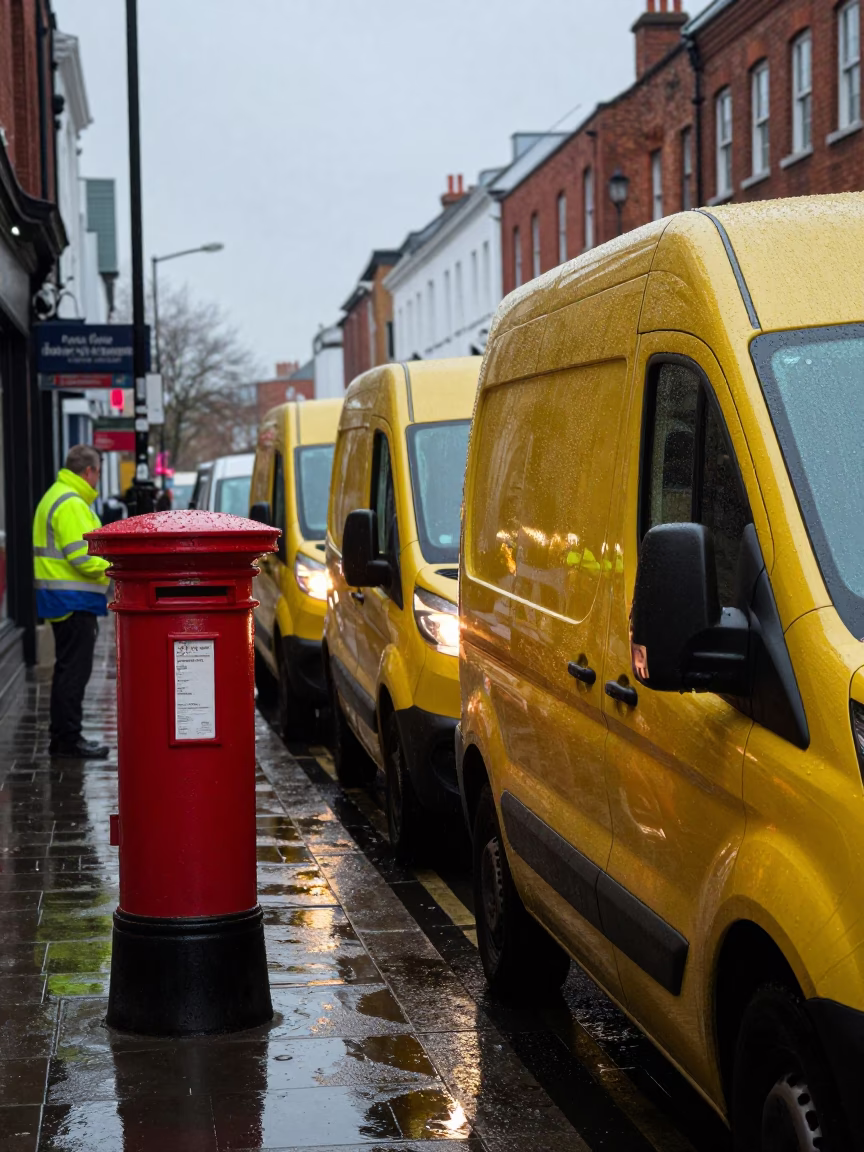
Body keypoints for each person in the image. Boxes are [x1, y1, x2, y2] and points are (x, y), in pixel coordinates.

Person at [33, 445, 111, 759]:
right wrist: (115, 567)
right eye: (98, 473)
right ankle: (68, 740)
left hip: (62, 598)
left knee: (68, 671)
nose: (98, 480)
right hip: (72, 600)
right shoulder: (70, 502)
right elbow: (83, 556)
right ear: (89, 472)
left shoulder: (58, 495)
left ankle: (64, 737)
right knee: (73, 674)